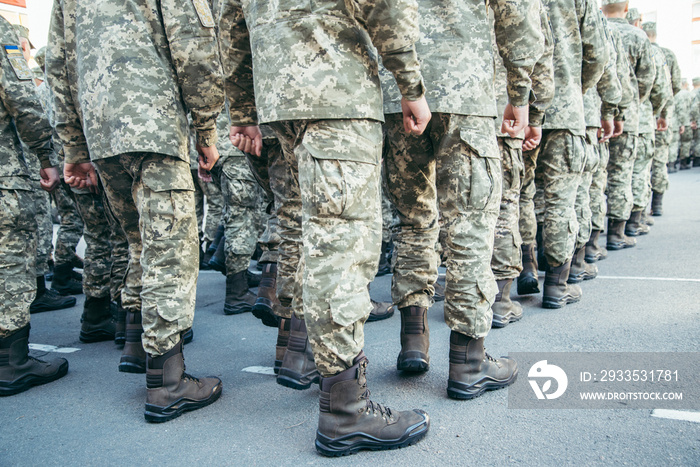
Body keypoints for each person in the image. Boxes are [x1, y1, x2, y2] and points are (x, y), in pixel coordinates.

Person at [219, 0, 432, 455]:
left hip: (283, 95)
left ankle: (316, 366)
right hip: (337, 85)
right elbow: (385, 8)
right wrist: (410, 84)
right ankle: (345, 412)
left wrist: (242, 109)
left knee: (315, 237)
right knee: (340, 244)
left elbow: (232, 26)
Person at [46, 0, 226, 422]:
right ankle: (168, 383)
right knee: (169, 252)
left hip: (102, 130)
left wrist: (74, 147)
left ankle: (134, 341)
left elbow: (58, 64)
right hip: (154, 123)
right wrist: (206, 129)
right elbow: (193, 45)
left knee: (140, 242)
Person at [0, 16, 67, 396]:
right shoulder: (3, 31)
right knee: (10, 265)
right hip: (5, 174)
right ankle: (12, 362)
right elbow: (22, 100)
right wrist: (45, 155)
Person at [532, 0, 608, 309]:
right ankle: (556, 284)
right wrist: (573, 89)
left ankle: (522, 270)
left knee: (517, 197)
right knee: (561, 202)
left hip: (516, 107)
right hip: (562, 111)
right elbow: (597, 54)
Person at [602, 0, 656, 251]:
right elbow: (646, 78)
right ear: (627, 9)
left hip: (593, 114)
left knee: (592, 179)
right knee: (622, 174)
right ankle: (617, 232)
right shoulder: (638, 35)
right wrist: (631, 103)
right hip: (626, 117)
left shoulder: (595, 25)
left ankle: (587, 244)